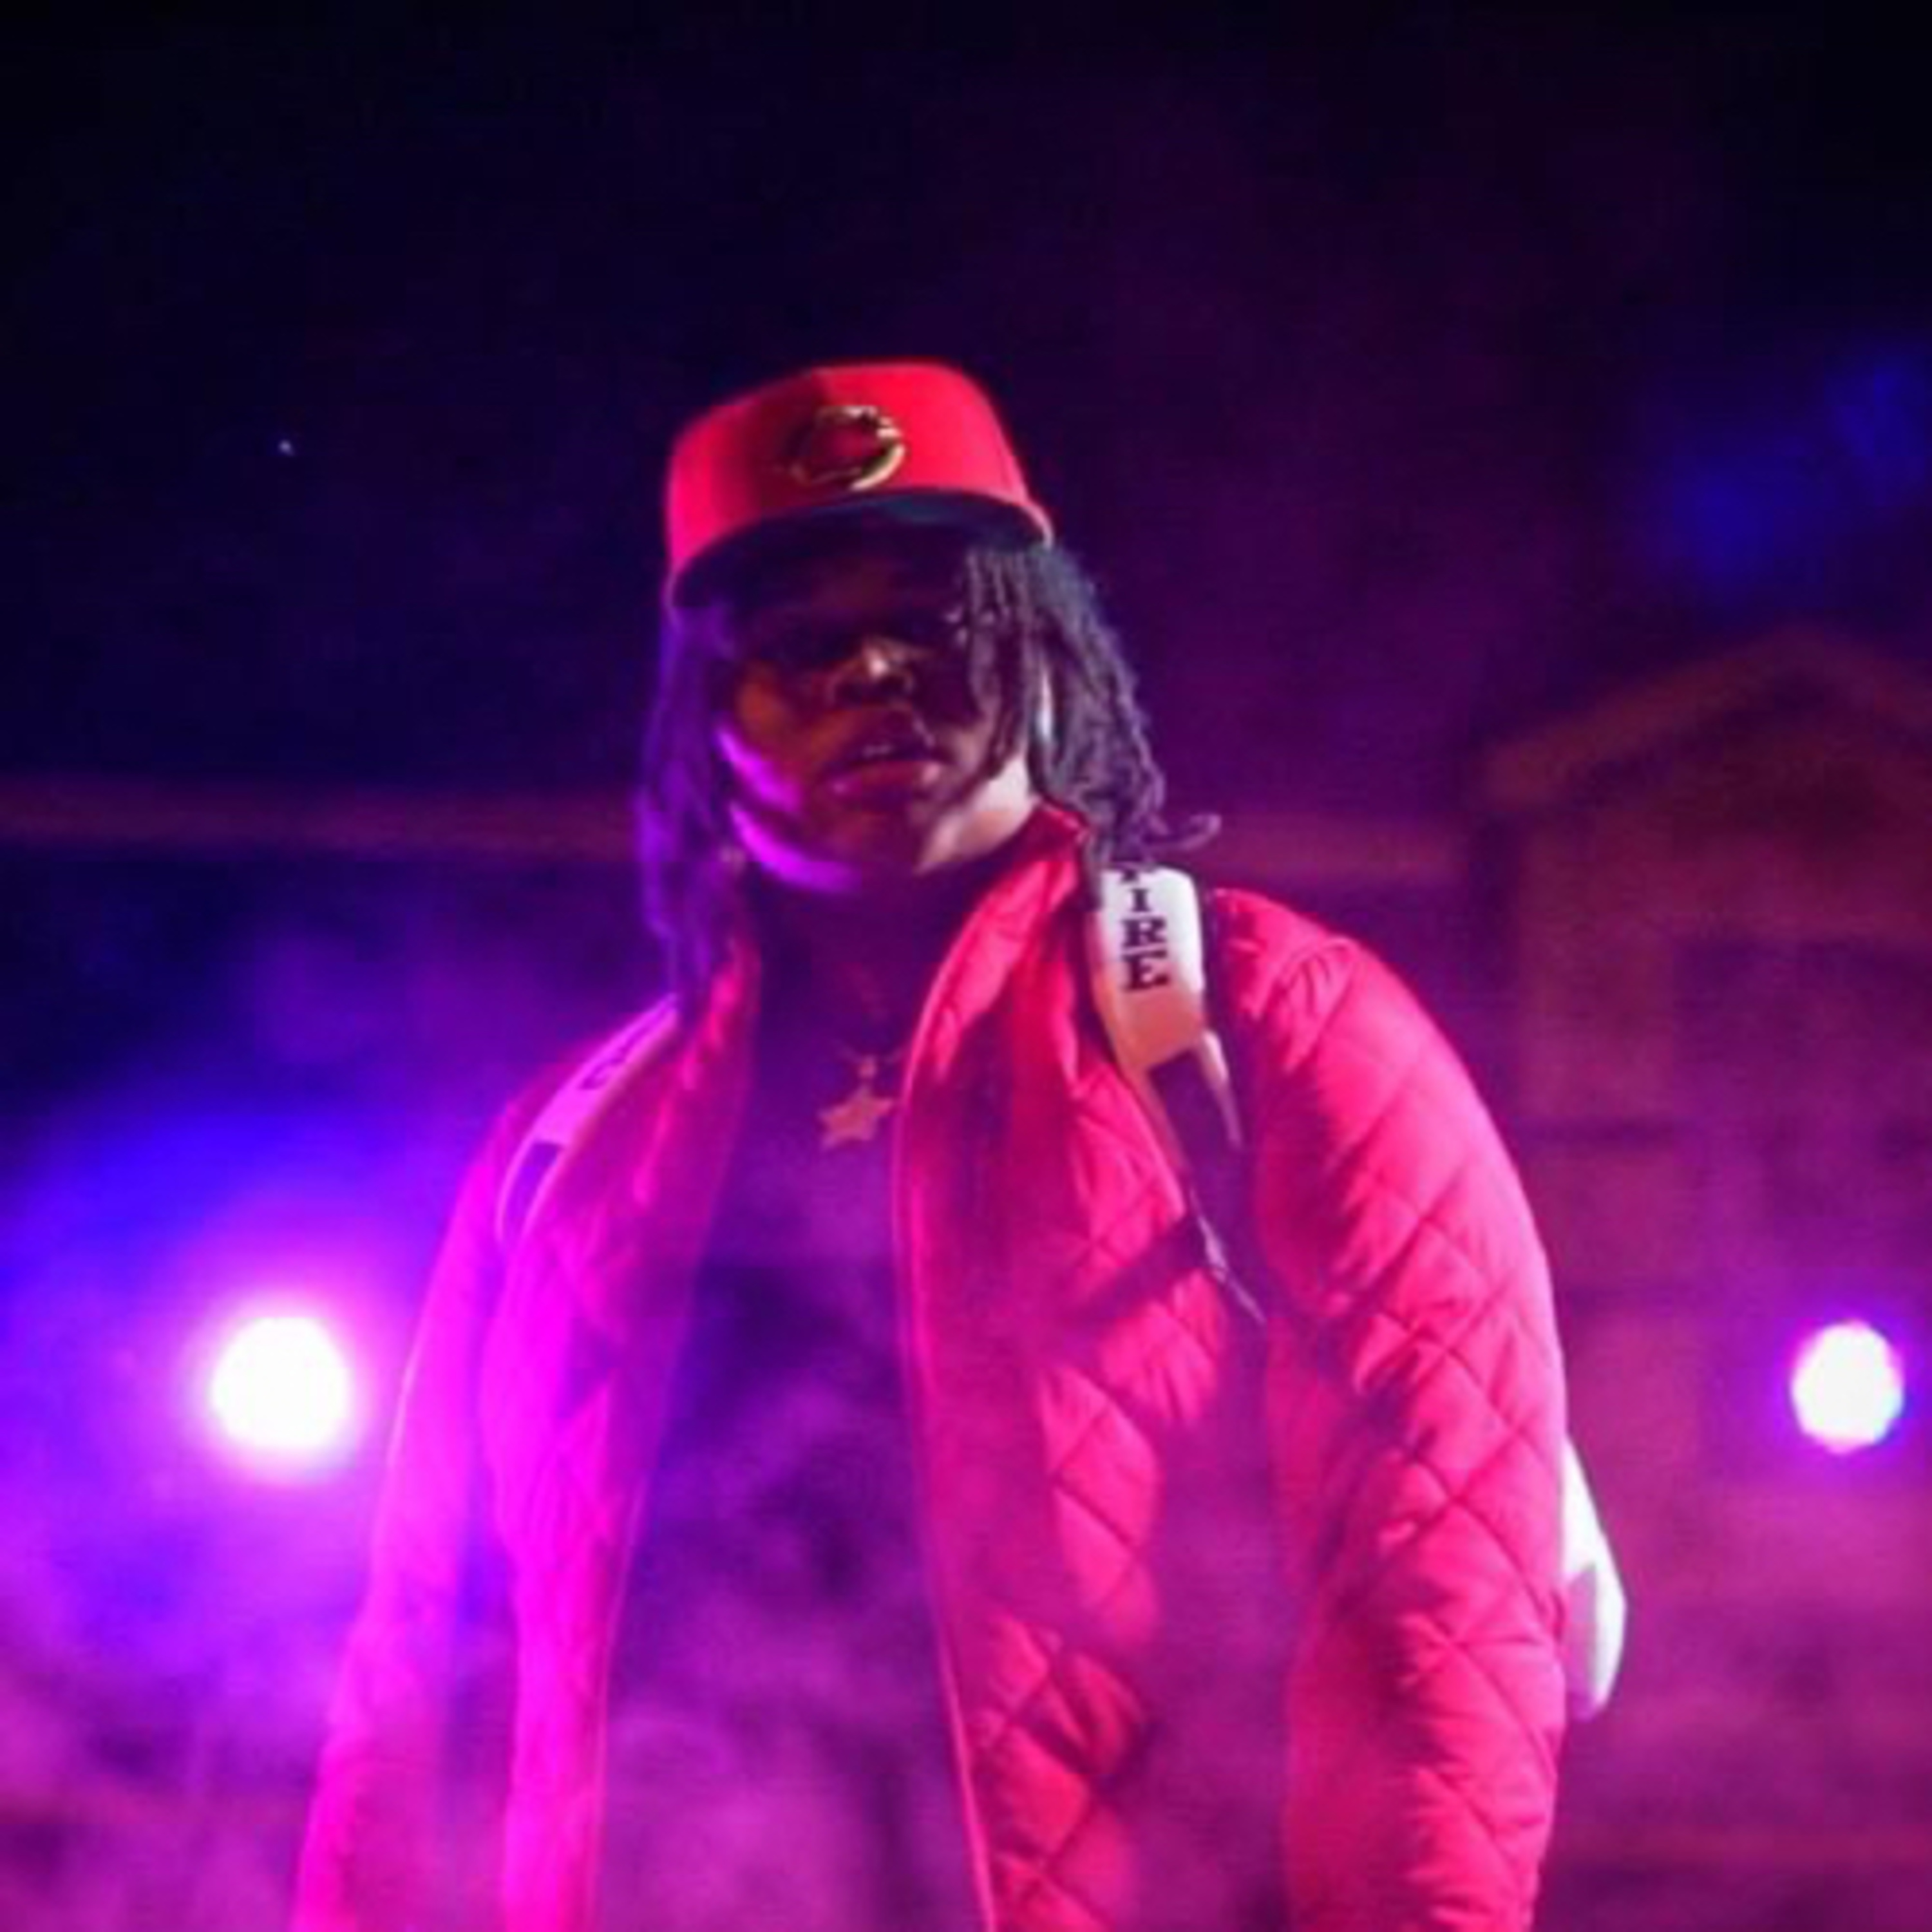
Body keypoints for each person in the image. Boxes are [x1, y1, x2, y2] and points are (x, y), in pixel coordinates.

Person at [293, 361, 1569, 1932]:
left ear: (1047, 650)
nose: (877, 670)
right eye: (798, 642)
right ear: (708, 719)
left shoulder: (1269, 1025)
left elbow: (1439, 1607)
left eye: (937, 615)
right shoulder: (573, 1150)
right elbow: (423, 1672)